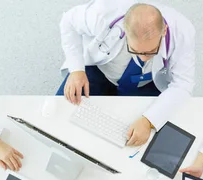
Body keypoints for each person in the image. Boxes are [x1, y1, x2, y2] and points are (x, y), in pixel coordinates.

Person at [57, 1, 195, 146]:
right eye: (135, 50)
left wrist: (149, 120)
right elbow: (68, 22)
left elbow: (183, 85)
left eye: (151, 51)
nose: (143, 57)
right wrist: (76, 69)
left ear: (164, 31)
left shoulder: (183, 31)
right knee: (63, 116)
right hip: (101, 70)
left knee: (146, 139)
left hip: (147, 82)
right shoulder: (103, 11)